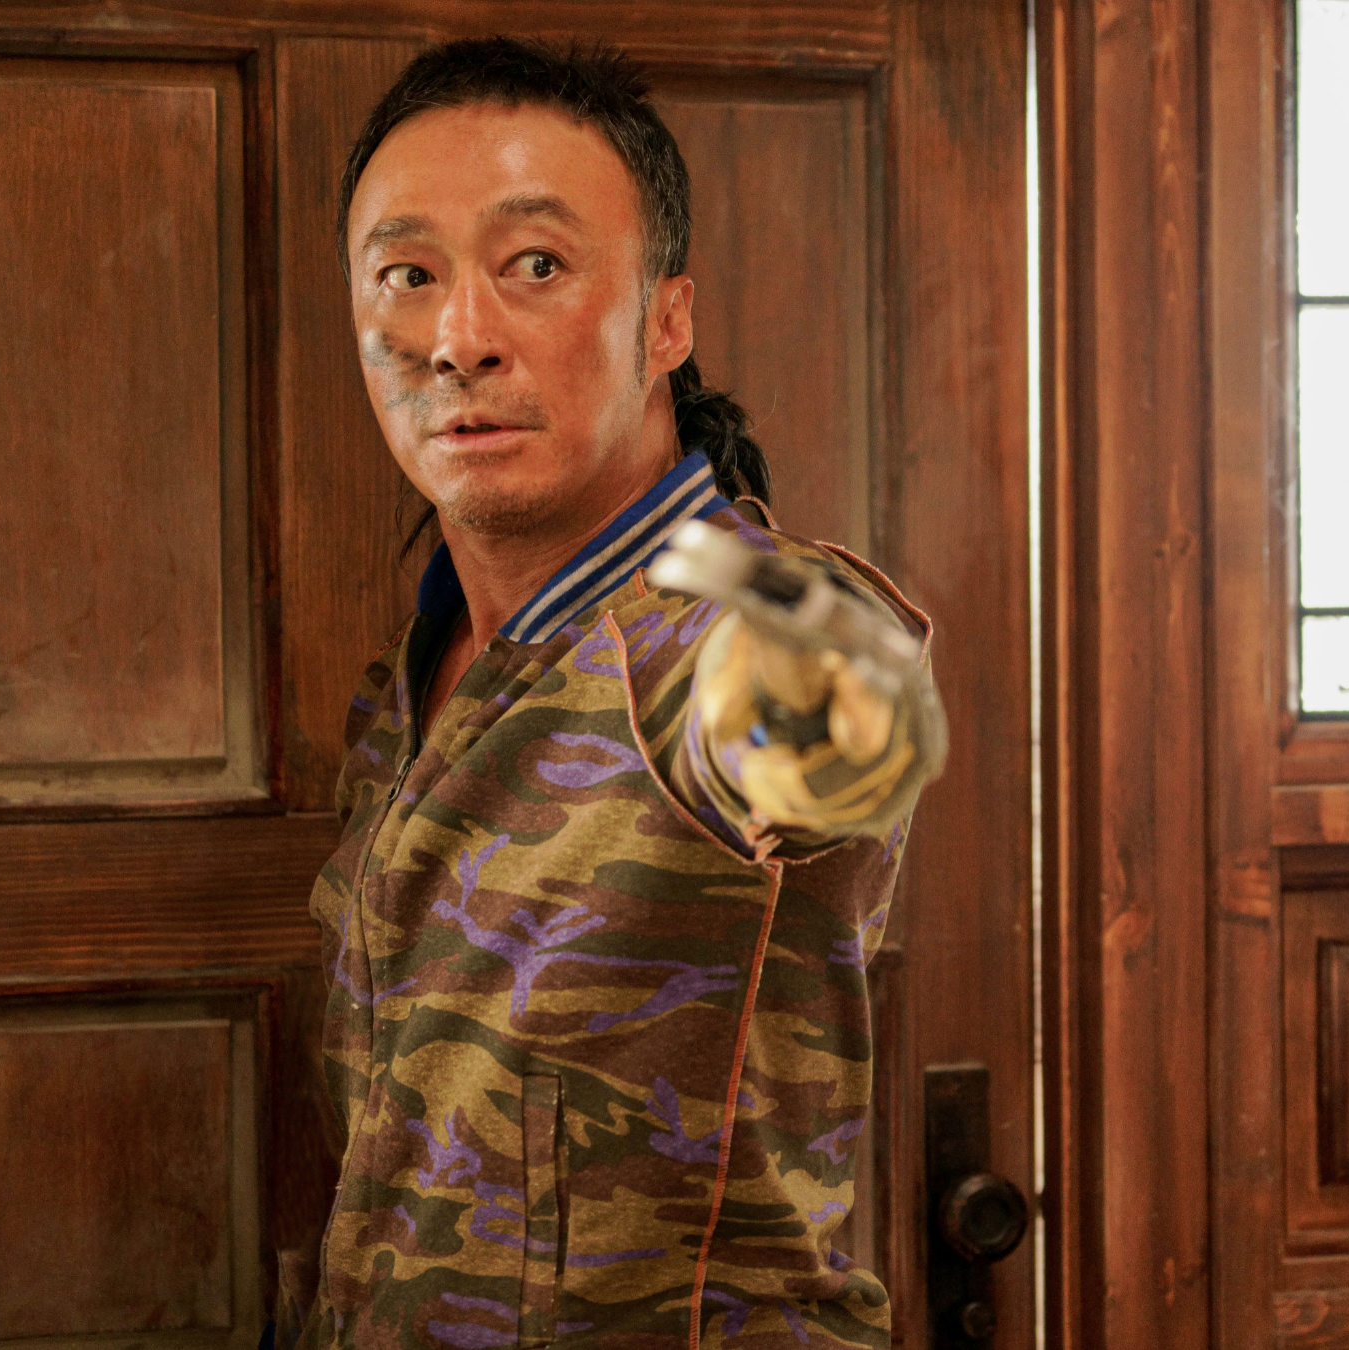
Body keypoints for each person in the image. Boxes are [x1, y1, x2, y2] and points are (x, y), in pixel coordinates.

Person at [292, 37, 942, 1350]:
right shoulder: (406, 683)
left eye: (535, 265)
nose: (459, 340)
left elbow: (852, 681)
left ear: (666, 321)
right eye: (409, 276)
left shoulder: (718, 636)